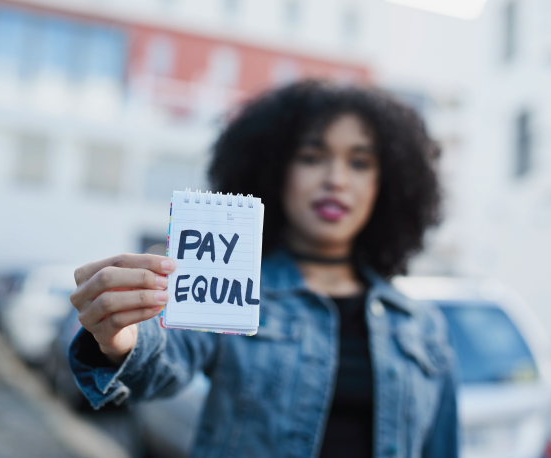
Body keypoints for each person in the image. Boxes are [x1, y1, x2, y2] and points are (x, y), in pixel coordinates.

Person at [69, 80, 457, 458]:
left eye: (359, 162)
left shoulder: (423, 327)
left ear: (383, 183)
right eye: (311, 157)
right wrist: (123, 339)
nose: (336, 180)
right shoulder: (233, 287)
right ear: (275, 171)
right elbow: (165, 359)